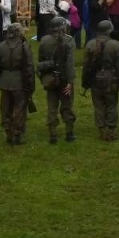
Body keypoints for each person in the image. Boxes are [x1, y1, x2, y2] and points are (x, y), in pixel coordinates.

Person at [0, 22, 36, 146]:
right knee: (20, 108)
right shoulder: (23, 46)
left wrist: (0, 78)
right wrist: (31, 85)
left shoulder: (1, 46)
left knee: (6, 108)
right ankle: (17, 134)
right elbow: (29, 67)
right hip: (19, 81)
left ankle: (8, 132)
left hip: (5, 82)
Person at [82, 20, 119, 142]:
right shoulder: (115, 45)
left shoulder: (90, 44)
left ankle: (102, 130)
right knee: (112, 104)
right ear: (110, 30)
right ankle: (111, 130)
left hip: (95, 79)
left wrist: (85, 82)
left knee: (98, 105)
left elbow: (86, 66)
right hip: (111, 78)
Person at [38, 14, 77, 144]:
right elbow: (70, 63)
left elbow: (41, 60)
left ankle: (53, 134)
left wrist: (44, 77)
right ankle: (69, 133)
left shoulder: (44, 40)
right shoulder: (69, 40)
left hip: (50, 79)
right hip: (64, 79)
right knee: (67, 105)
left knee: (52, 106)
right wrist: (70, 82)